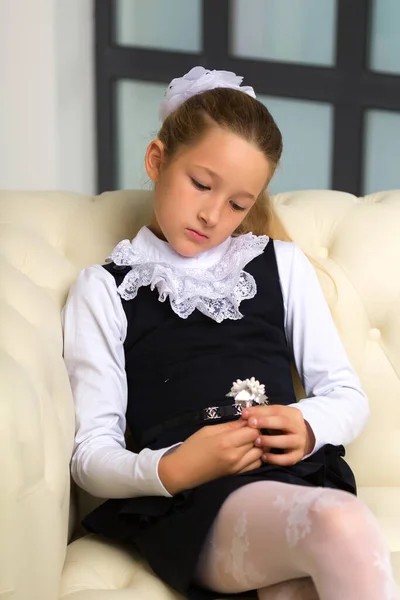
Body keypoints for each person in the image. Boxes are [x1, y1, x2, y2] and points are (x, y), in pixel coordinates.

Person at [62, 66, 398, 600]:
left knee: (301, 589)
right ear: (157, 160)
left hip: (295, 484)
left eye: (238, 204)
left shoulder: (280, 263)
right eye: (200, 184)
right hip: (194, 505)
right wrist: (174, 467)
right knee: (341, 523)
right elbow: (91, 457)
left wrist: (305, 424)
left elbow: (346, 396)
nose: (213, 214)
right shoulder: (105, 289)